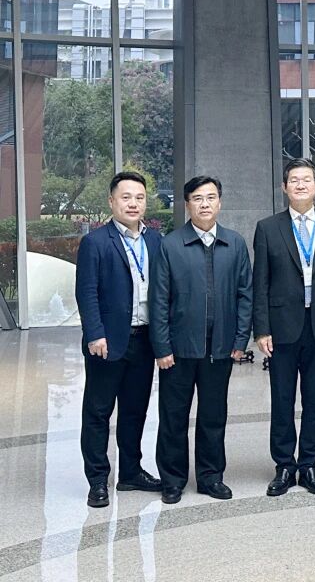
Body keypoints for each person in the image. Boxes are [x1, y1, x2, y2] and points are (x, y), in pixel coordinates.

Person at [151, 175, 252, 504]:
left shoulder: (235, 243)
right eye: (197, 198)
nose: (204, 204)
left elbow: (245, 295)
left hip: (220, 349)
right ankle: (172, 480)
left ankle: (211, 477)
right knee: (173, 417)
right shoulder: (170, 245)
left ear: (219, 203)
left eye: (210, 198)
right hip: (178, 350)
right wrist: (162, 346)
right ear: (187, 205)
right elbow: (159, 299)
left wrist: (240, 339)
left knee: (213, 416)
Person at [253, 158, 315, 497]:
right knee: (281, 398)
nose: (301, 185)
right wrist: (261, 329)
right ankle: (283, 465)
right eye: (294, 180)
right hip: (281, 327)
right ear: (284, 187)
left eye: (307, 180)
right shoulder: (268, 228)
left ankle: (309, 465)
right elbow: (260, 282)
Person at [75, 171, 164, 508]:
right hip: (108, 341)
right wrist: (95, 333)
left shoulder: (155, 241)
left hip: (144, 340)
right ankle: (98, 480)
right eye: (126, 197)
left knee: (134, 410)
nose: (133, 203)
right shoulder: (96, 242)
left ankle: (130, 472)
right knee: (98, 413)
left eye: (139, 198)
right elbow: (86, 292)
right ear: (112, 201)